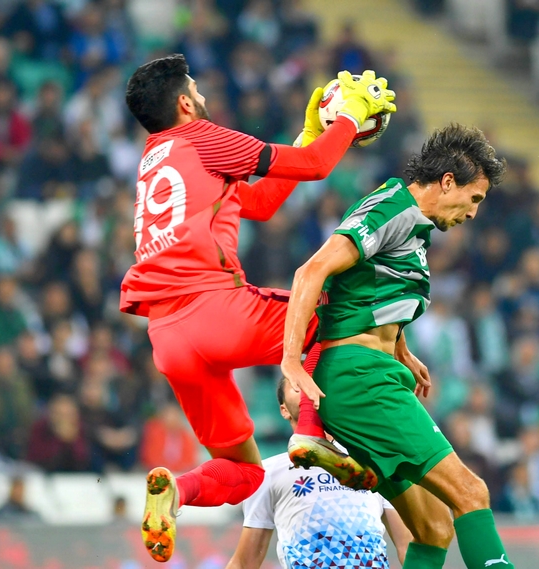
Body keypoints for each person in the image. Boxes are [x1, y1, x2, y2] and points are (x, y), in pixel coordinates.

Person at [121, 54, 396, 563]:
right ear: (184, 104)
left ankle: (176, 491)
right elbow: (315, 167)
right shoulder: (201, 137)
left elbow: (261, 202)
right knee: (338, 312)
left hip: (168, 338)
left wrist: (309, 133)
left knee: (245, 473)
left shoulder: (154, 161)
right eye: (197, 90)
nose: (203, 97)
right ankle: (310, 434)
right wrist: (350, 118)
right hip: (215, 309)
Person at [280, 124, 515, 569]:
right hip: (361, 379)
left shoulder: (413, 227)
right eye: (474, 198)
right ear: (448, 181)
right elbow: (311, 271)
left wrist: (401, 349)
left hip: (370, 375)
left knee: (434, 528)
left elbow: (368, 291)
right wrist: (291, 359)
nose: (473, 213)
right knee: (472, 492)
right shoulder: (393, 209)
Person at [226, 380, 412, 569]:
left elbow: (407, 547)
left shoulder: (373, 463)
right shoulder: (268, 472)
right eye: (297, 386)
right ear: (284, 410)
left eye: (314, 385)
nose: (308, 390)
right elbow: (245, 562)